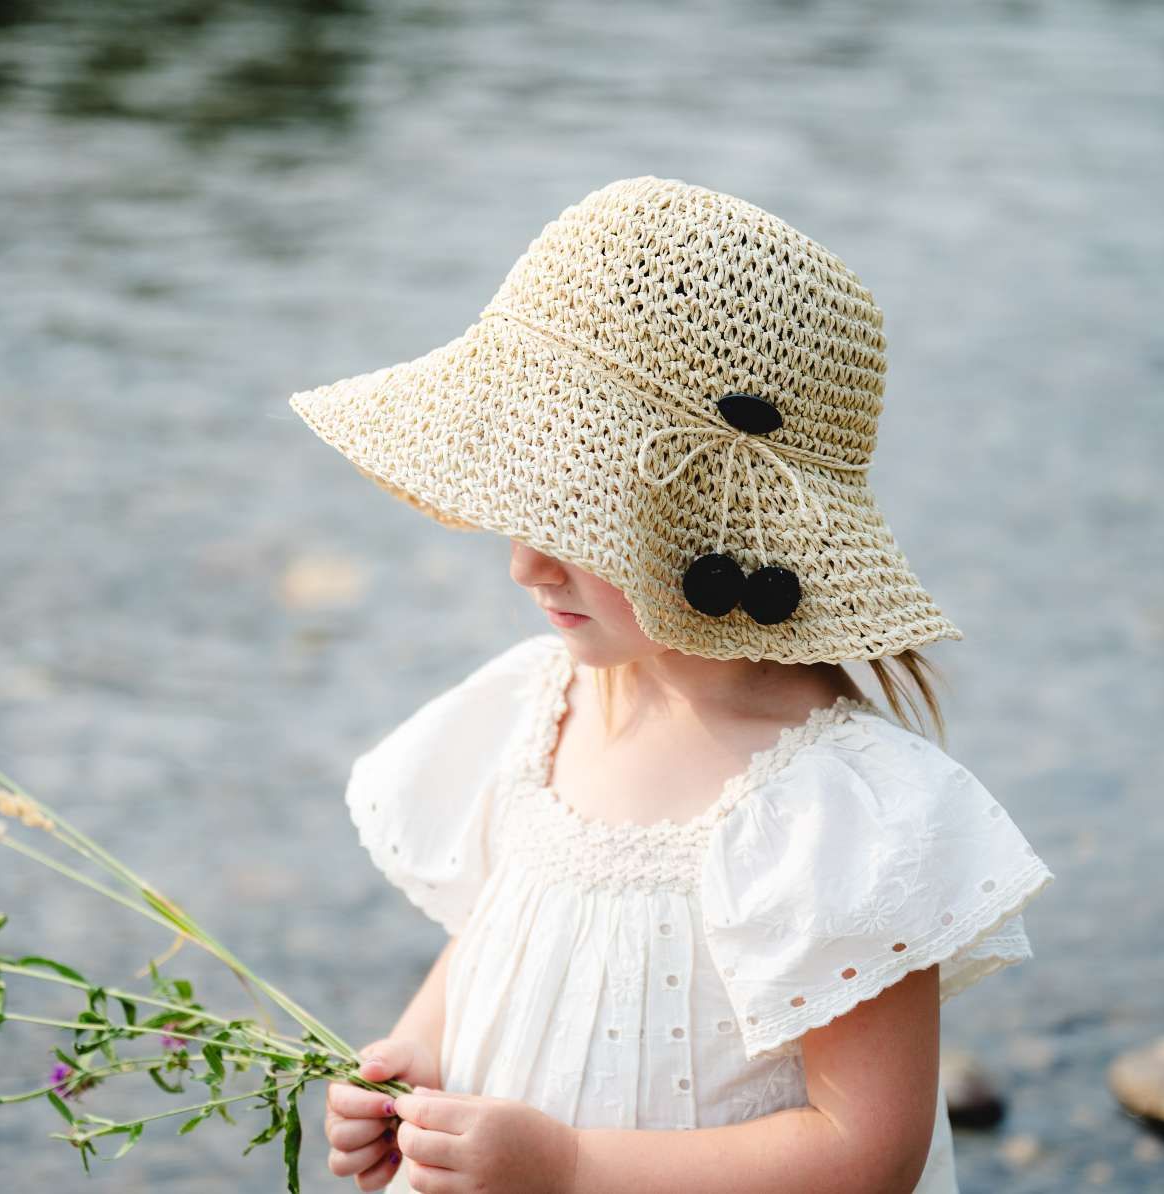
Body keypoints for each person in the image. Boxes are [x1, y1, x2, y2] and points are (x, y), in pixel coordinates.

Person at [290, 176, 1056, 1194]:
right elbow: (505, 933)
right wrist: (415, 1061)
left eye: (573, 514)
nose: (525, 563)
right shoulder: (536, 710)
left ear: (710, 524)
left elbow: (865, 1152)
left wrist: (565, 1164)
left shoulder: (835, 814)